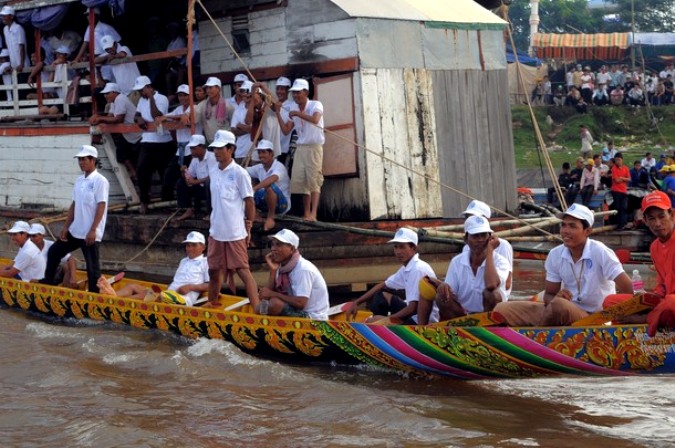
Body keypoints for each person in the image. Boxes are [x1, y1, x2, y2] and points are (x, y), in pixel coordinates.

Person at [495, 204, 632, 326]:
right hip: (562, 310)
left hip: (595, 319)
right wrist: (557, 297)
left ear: (587, 231)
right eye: (563, 225)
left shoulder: (600, 251)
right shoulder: (555, 254)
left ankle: (536, 339)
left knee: (559, 305)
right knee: (502, 309)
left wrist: (622, 318)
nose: (565, 231)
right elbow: (549, 295)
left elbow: (628, 289)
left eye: (572, 226)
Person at [42, 145, 109, 293]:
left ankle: (94, 296)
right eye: (79, 160)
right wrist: (66, 227)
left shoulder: (100, 181)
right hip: (75, 230)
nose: (81, 162)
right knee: (54, 251)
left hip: (90, 233)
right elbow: (74, 205)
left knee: (92, 267)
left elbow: (101, 206)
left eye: (84, 159)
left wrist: (93, 230)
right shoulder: (79, 181)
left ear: (93, 160)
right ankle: (48, 283)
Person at [206, 130, 259, 309]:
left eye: (221, 148)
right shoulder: (213, 171)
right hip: (216, 231)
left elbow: (249, 201)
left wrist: (249, 225)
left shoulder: (240, 173)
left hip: (235, 232)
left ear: (231, 149)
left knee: (243, 271)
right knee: (213, 271)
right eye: (215, 149)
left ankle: (257, 310)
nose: (217, 152)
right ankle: (211, 305)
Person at [345, 227, 439, 325]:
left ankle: (384, 327)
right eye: (396, 247)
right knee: (380, 296)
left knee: (373, 322)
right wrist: (357, 302)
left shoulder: (417, 269)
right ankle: (383, 326)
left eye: (402, 247)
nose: (398, 251)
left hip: (422, 320)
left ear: (413, 248)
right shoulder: (407, 268)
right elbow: (383, 285)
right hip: (413, 313)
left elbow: (413, 308)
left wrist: (385, 319)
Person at [427, 216, 509, 321]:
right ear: (466, 239)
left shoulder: (500, 261)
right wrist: (443, 287)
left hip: (493, 316)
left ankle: (488, 326)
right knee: (441, 297)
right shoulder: (457, 262)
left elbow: (491, 284)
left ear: (490, 238)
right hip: (464, 315)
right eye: (475, 236)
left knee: (491, 294)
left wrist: (490, 250)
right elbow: (450, 292)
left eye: (484, 235)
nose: (480, 240)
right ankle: (461, 326)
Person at [98, 231, 209, 306]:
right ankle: (113, 297)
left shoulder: (206, 262)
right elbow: (176, 281)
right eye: (188, 245)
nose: (189, 248)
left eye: (194, 245)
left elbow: (210, 285)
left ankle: (118, 302)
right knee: (132, 286)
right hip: (169, 293)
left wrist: (190, 287)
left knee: (153, 294)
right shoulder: (183, 261)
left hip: (183, 299)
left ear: (203, 247)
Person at [278, 78, 325, 221]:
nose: (296, 95)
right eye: (294, 93)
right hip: (300, 147)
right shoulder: (293, 108)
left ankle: (314, 214)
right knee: (301, 181)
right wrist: (278, 113)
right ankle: (306, 213)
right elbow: (286, 130)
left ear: (306, 92)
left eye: (298, 92)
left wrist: (298, 114)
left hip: (314, 147)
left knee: (314, 180)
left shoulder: (316, 104)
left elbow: (315, 119)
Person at [258, 229, 329, 319]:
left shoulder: (303, 269)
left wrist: (273, 294)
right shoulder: (281, 267)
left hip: (313, 319)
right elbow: (265, 296)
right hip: (297, 311)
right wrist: (273, 271)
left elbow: (300, 303)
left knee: (274, 304)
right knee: (260, 307)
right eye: (272, 244)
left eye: (278, 245)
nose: (273, 249)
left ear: (291, 249)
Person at [133, 75, 175, 214]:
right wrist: (138, 119)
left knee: (164, 172)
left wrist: (151, 98)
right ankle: (144, 201)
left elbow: (157, 116)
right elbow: (137, 114)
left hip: (162, 141)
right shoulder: (140, 100)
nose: (140, 93)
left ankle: (167, 201)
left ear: (149, 87)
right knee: (142, 170)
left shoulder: (161, 98)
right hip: (147, 140)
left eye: (142, 90)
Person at [637, 191, 675, 334]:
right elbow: (662, 285)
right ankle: (652, 314)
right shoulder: (654, 247)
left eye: (661, 216)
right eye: (651, 219)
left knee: (671, 303)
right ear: (645, 221)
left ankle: (645, 319)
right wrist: (648, 298)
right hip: (666, 301)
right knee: (611, 301)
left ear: (672, 215)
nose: (657, 224)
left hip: (671, 303)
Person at [89, 82, 141, 182]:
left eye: (107, 93)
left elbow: (118, 119)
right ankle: (134, 173)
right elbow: (110, 116)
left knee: (131, 157)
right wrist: (98, 117)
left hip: (136, 134)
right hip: (128, 134)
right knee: (121, 154)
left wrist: (99, 119)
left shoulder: (120, 99)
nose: (105, 96)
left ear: (114, 92)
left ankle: (135, 174)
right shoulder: (114, 101)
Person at [246, 139, 291, 231]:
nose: (261, 155)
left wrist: (254, 189)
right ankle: (255, 215)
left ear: (271, 154)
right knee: (246, 187)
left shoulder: (279, 166)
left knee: (269, 186)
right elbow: (243, 170)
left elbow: (272, 179)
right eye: (259, 152)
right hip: (266, 202)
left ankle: (271, 217)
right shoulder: (259, 167)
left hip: (282, 204)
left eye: (264, 152)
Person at [176, 134, 215, 221]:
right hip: (200, 188)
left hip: (211, 189)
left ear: (202, 147)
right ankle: (188, 209)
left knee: (209, 184)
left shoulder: (212, 157)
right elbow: (189, 177)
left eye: (194, 148)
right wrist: (184, 173)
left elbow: (213, 177)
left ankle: (211, 213)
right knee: (180, 182)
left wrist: (195, 182)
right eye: (191, 148)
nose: (192, 151)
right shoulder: (194, 160)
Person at [28, 223, 77, 288]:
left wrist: (73, 278)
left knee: (67, 266)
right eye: (30, 236)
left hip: (51, 275)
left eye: (34, 236)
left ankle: (65, 289)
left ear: (42, 236)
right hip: (35, 275)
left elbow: (71, 259)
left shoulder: (52, 246)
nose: (31, 239)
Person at [187, 77, 232, 144]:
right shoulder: (202, 105)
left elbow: (233, 125)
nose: (208, 90)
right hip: (211, 143)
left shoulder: (228, 106)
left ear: (218, 89)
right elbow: (192, 117)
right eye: (207, 88)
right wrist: (186, 115)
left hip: (226, 143)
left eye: (210, 88)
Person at [1, 6, 29, 78]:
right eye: (2, 16)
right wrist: (10, 64)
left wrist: (21, 64)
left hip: (23, 65)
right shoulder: (5, 29)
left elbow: (21, 46)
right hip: (13, 66)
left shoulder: (18, 28)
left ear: (11, 16)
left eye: (5, 16)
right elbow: (9, 48)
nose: (3, 18)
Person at [611, 153, 631, 229]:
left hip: (624, 191)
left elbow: (629, 179)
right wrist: (624, 179)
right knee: (618, 208)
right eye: (616, 160)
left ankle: (624, 224)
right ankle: (619, 225)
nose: (617, 161)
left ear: (622, 160)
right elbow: (616, 180)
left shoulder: (626, 168)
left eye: (618, 159)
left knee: (624, 208)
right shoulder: (614, 168)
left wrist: (622, 178)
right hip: (616, 191)